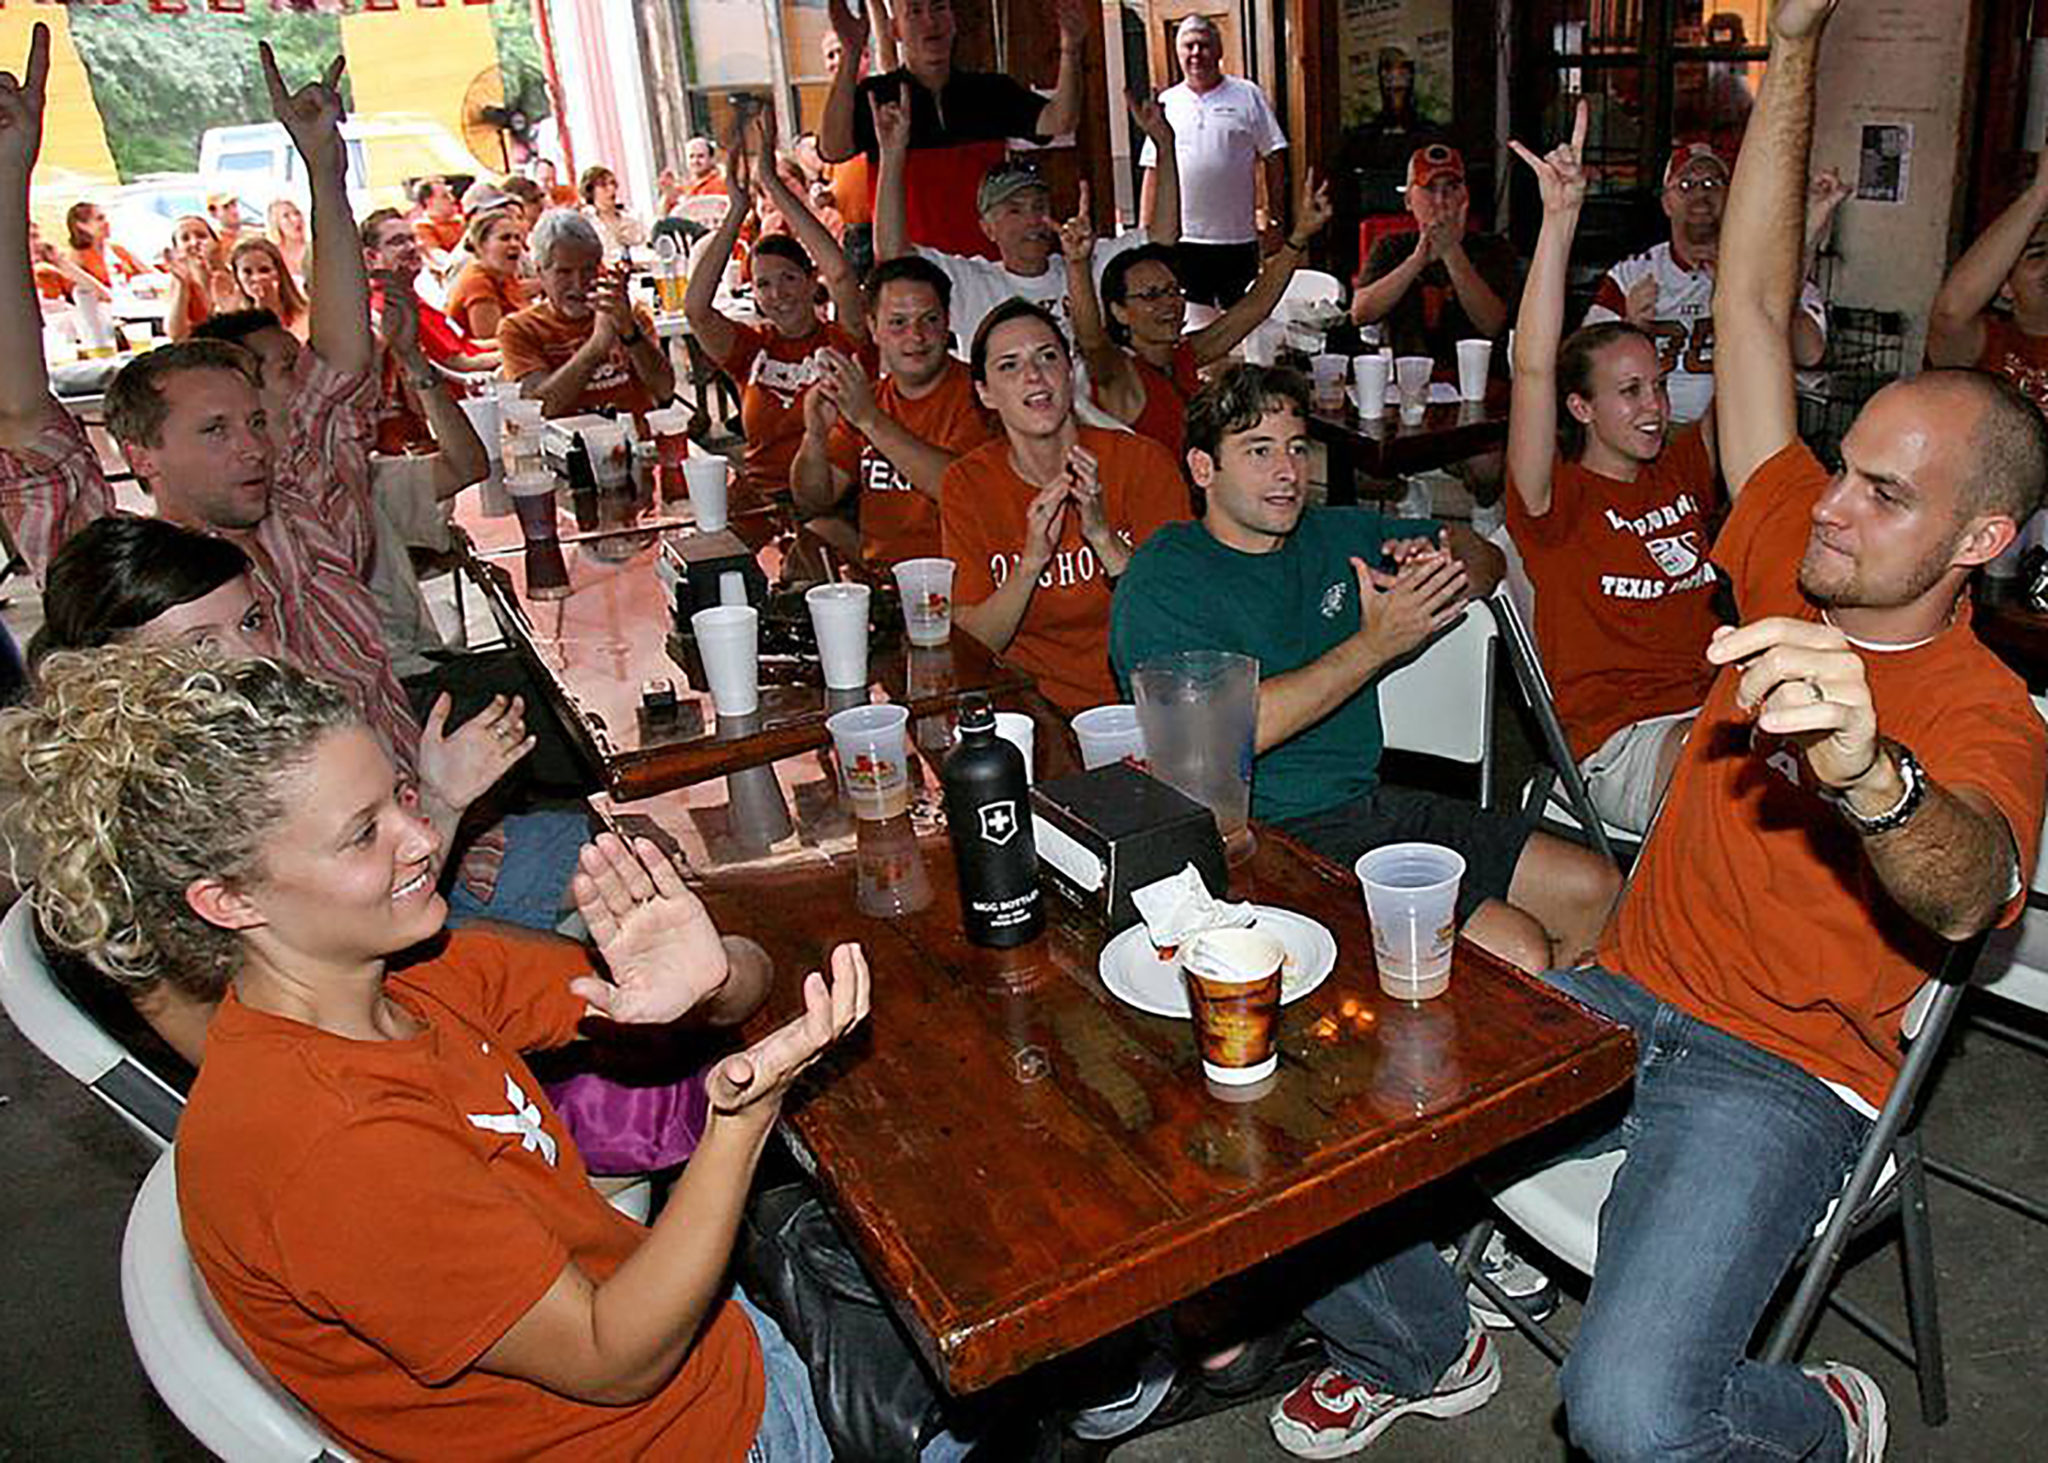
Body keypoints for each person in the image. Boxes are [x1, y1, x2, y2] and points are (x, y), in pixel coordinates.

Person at [1263, 4, 2048, 1457]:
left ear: (1983, 538)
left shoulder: (1984, 707)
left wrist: (1872, 770)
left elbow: (1965, 881)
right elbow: (1748, 312)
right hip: (1619, 997)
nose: (1831, 500)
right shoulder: (1780, 548)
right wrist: (1794, 44)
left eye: (1885, 493)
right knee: (1289, 1109)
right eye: (1844, 463)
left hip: (1780, 1079)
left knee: (1630, 1413)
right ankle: (1437, 1343)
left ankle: (1810, 1418)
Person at [0, 639, 867, 1461]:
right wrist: (739, 1122)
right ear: (228, 901)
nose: (420, 840)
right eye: (360, 834)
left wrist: (708, 981)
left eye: (401, 799)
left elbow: (729, 986)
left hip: (711, 1345)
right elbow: (614, 1359)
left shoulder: (409, 974)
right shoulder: (326, 1148)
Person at [1111, 362, 1621, 982]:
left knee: (1594, 886)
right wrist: (1374, 645)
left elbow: (1485, 556)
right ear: (1202, 469)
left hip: (1369, 806)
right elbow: (1211, 740)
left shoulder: (1337, 532)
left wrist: (1438, 561)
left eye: (1297, 449)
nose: (1287, 472)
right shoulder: (1167, 575)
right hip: (1262, 837)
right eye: (1258, 450)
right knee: (1518, 948)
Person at [1503, 101, 1723, 835]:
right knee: (1730, 789)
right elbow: (1532, 369)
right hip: (1621, 743)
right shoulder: (1552, 501)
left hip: (1715, 711)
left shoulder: (1682, 470)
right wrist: (1560, 220)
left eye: (1658, 385)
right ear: (1581, 408)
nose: (1656, 405)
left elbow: (1759, 358)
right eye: (1630, 392)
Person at [943, 300, 1188, 715]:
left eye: (1047, 357)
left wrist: (1102, 537)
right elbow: (975, 645)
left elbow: (1181, 618)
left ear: (1069, 372)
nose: (1033, 376)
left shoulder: (1142, 461)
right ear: (985, 393)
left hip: (1143, 701)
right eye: (1008, 366)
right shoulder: (967, 484)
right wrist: (1031, 562)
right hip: (1034, 713)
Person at [874, 83, 1178, 357]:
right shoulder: (970, 282)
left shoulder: (1085, 262)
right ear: (987, 228)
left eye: (1039, 206)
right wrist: (892, 155)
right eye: (1015, 210)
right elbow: (892, 251)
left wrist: (1165, 144)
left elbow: (1163, 233)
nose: (1032, 219)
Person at [1068, 168, 1330, 460]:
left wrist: (1299, 236)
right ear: (1120, 312)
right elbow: (1091, 341)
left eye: (1172, 291)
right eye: (1151, 295)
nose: (1169, 303)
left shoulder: (1181, 356)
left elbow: (1254, 308)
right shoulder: (1120, 373)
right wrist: (1077, 265)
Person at [1580, 139, 1837, 424]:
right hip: (1653, 430)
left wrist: (1748, 296)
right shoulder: (1631, 275)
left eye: (1712, 184)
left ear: (1731, 197)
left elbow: (1809, 352)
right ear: (1667, 202)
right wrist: (1629, 328)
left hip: (1741, 432)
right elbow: (1584, 366)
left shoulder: (1765, 269)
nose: (1700, 195)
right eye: (1686, 185)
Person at [689, 111, 868, 502]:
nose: (778, 293)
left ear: (809, 281)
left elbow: (839, 273)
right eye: (765, 284)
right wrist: (736, 210)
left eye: (788, 278)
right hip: (756, 497)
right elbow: (697, 311)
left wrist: (772, 182)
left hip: (826, 499)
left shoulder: (847, 339)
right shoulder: (752, 347)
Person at [820, 0, 1088, 258]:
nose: (930, 21)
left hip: (987, 267)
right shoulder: (878, 95)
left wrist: (1071, 49)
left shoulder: (990, 90)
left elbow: (1060, 120)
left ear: (953, 20)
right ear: (895, 30)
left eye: (939, 8)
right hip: (912, 271)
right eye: (915, 11)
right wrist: (851, 53)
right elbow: (833, 149)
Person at [791, 255, 995, 568]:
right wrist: (815, 435)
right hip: (882, 579)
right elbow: (814, 499)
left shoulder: (982, 394)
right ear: (873, 328)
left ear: (948, 321)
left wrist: (870, 420)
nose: (916, 336)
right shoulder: (870, 400)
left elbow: (963, 491)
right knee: (814, 534)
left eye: (930, 320)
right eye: (898, 323)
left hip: (955, 581)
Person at [1137, 15, 1289, 307]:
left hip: (1237, 240)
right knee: (1187, 328)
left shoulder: (1247, 95)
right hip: (1181, 240)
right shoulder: (1166, 103)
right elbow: (1152, 171)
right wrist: (1145, 232)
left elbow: (1274, 157)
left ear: (1219, 51)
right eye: (1188, 46)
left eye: (1204, 45)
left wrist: (1276, 220)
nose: (1196, 53)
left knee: (1240, 324)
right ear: (1177, 53)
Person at [499, 208, 674, 426]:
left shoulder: (628, 313)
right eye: (564, 272)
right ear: (541, 273)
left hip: (639, 443)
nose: (579, 283)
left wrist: (630, 333)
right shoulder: (519, 328)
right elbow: (540, 409)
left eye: (589, 270)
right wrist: (597, 347)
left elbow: (665, 392)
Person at [1350, 143, 1519, 366]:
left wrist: (1451, 250)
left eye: (1451, 188)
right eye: (1429, 189)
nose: (1440, 200)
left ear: (1464, 197)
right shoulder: (1391, 246)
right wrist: (1416, 262)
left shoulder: (1493, 248)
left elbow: (1492, 324)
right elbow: (1361, 313)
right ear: (1408, 200)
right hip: (1406, 376)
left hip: (1477, 378)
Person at [1925, 150, 2048, 410]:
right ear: (2003, 285)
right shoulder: (1988, 344)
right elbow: (1950, 314)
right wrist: (2038, 194)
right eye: (2038, 255)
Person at [444, 204, 532, 341]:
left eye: (517, 238)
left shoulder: (503, 275)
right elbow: (492, 339)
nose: (515, 244)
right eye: (505, 238)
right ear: (481, 245)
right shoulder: (477, 283)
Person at [162, 213, 236, 341]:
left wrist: (217, 267)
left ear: (216, 243)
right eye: (185, 239)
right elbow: (176, 335)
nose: (194, 243)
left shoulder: (235, 276)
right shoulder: (178, 283)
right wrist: (182, 285)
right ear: (177, 250)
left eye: (201, 236)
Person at [229, 236, 308, 341]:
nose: (256, 278)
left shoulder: (306, 315)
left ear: (279, 273)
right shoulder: (233, 322)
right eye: (247, 272)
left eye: (264, 270)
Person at [64, 200, 145, 290]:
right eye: (100, 219)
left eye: (105, 218)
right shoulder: (78, 258)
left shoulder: (117, 250)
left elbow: (150, 274)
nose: (107, 223)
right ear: (82, 226)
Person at [581, 163, 649, 259]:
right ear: (590, 190)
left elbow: (646, 244)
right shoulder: (585, 221)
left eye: (613, 183)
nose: (611, 189)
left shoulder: (629, 217)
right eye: (603, 185)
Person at [410, 174, 465, 276]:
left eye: (450, 195)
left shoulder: (462, 221)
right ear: (429, 202)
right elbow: (441, 260)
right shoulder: (423, 228)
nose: (453, 199)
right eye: (445, 196)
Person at [265, 196, 308, 284]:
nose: (295, 219)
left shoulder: (314, 250)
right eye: (286, 216)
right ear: (276, 223)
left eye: (297, 213)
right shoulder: (272, 256)